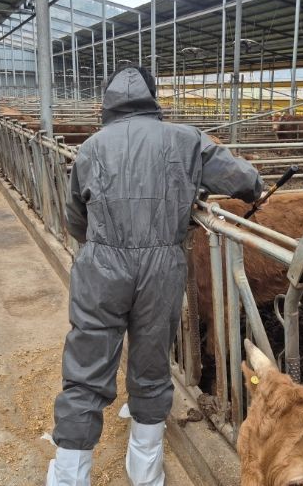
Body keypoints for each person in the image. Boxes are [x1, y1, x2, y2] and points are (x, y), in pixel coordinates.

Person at [46, 65, 263, 486]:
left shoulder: (91, 147)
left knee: (86, 366)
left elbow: (74, 216)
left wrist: (100, 247)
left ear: (108, 104)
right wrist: (254, 188)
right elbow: (240, 178)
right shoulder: (185, 139)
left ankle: (70, 476)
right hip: (161, 267)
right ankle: (145, 472)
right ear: (152, 99)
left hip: (102, 265)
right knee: (151, 363)